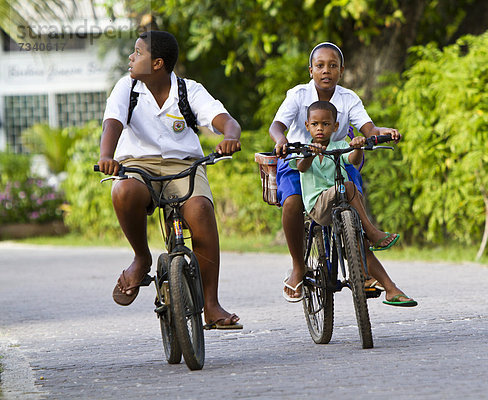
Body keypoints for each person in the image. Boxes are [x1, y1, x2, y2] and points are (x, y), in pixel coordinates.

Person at [98, 30, 243, 329]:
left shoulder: (189, 91)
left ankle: (211, 305)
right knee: (123, 191)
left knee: (200, 211)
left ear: (157, 63)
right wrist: (107, 156)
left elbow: (224, 120)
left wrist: (230, 136)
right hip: (139, 164)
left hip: (185, 163)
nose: (131, 57)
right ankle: (141, 258)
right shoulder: (127, 88)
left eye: (138, 53)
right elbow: (112, 122)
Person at [268, 41, 416, 305]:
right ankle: (298, 267)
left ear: (341, 70)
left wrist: (382, 133)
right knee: (292, 201)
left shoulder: (348, 99)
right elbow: (277, 127)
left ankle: (362, 257)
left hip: (337, 156)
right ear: (310, 70)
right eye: (320, 65)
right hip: (299, 157)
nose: (326, 71)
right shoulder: (298, 95)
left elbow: (368, 129)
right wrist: (281, 141)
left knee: (353, 195)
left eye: (333, 66)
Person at [288, 100, 416, 306]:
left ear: (336, 127)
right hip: (317, 206)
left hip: (339, 202)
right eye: (315, 125)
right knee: (349, 187)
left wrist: (357, 147)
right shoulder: (304, 148)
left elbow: (354, 160)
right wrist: (311, 153)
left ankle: (391, 289)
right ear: (307, 126)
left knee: (359, 243)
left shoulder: (339, 145)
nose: (320, 128)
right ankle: (372, 232)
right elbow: (301, 167)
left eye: (326, 124)